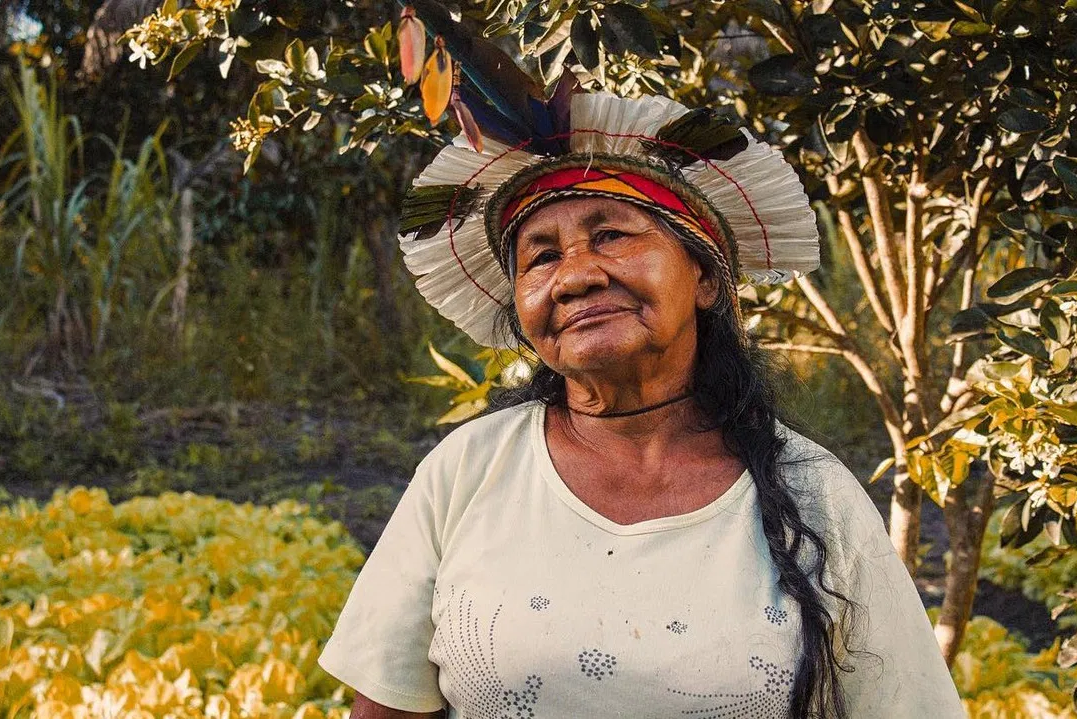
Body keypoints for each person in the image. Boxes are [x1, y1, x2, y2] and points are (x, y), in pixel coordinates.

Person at [316, 79, 966, 717]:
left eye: (612, 236)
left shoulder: (815, 494)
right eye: (540, 256)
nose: (575, 276)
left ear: (705, 276)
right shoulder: (466, 472)